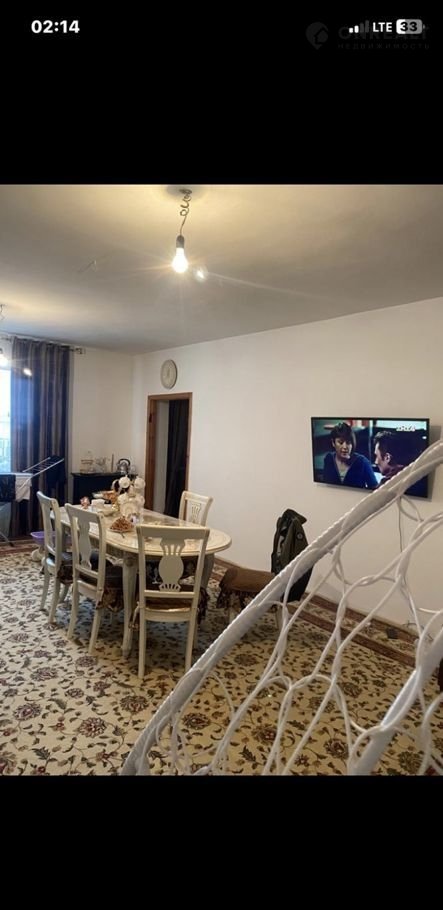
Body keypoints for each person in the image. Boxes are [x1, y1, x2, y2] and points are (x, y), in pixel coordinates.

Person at [323, 421, 378, 489]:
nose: (345, 447)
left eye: (348, 442)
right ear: (333, 443)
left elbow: (375, 489)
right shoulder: (329, 459)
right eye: (340, 442)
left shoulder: (363, 462)